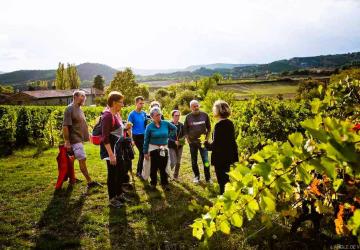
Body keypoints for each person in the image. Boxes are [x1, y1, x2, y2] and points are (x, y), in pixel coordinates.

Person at [63, 90, 100, 189]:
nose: (84, 98)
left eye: (85, 96)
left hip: (79, 139)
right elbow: (65, 126)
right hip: (74, 140)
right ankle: (90, 182)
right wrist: (67, 141)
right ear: (75, 96)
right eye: (82, 96)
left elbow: (81, 124)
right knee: (83, 159)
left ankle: (71, 177)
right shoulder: (69, 109)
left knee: (72, 159)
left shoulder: (79, 109)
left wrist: (89, 134)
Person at [100, 91, 130, 208]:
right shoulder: (107, 116)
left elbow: (118, 131)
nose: (122, 105)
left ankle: (119, 194)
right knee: (112, 174)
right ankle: (112, 198)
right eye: (121, 102)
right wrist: (111, 155)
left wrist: (126, 128)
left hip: (117, 149)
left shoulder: (115, 114)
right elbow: (105, 138)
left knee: (120, 172)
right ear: (114, 102)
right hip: (110, 150)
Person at [205, 100, 238, 194]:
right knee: (226, 178)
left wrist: (206, 144)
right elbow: (229, 141)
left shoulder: (219, 125)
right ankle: (229, 196)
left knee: (221, 180)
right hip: (228, 155)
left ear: (218, 110)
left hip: (220, 157)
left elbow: (216, 144)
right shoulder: (230, 123)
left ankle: (224, 198)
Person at [143, 107, 177, 190]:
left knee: (163, 167)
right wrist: (145, 152)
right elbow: (146, 140)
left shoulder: (165, 123)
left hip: (164, 148)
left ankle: (164, 184)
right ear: (152, 117)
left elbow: (174, 128)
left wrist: (168, 136)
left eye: (160, 114)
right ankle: (153, 184)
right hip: (153, 148)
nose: (159, 116)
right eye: (157, 115)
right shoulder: (149, 126)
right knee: (153, 167)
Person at [183, 100, 211, 184]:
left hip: (203, 143)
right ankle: (196, 176)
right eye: (194, 106)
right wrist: (188, 140)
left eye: (197, 105)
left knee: (205, 160)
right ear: (191, 107)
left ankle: (208, 178)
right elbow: (185, 130)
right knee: (194, 161)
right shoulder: (188, 117)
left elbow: (209, 128)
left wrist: (207, 139)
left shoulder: (205, 115)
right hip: (193, 143)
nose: (196, 107)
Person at [127, 96, 148, 177]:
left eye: (143, 103)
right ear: (136, 103)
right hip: (136, 136)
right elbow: (129, 128)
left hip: (144, 136)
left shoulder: (144, 113)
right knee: (142, 153)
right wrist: (131, 139)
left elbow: (146, 125)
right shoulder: (132, 114)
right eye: (140, 103)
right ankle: (139, 172)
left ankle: (142, 170)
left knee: (144, 153)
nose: (142, 105)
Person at [168, 110, 185, 180]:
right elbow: (167, 136)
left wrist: (181, 141)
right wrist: (174, 141)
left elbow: (184, 135)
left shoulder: (181, 125)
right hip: (171, 145)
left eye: (178, 115)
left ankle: (175, 176)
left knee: (178, 162)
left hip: (180, 145)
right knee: (173, 162)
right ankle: (166, 173)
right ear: (172, 116)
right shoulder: (169, 125)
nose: (177, 117)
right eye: (176, 116)